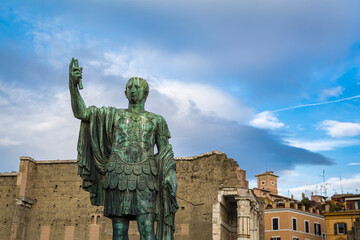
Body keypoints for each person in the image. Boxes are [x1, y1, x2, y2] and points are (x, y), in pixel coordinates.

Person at [69, 58, 178, 240]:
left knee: (146, 229)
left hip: (146, 178)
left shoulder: (157, 120)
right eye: (130, 87)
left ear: (145, 92)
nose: (133, 90)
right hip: (118, 176)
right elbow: (82, 113)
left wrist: (169, 175)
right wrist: (73, 87)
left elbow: (166, 154)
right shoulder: (113, 115)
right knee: (118, 233)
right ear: (125, 93)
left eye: (137, 87)